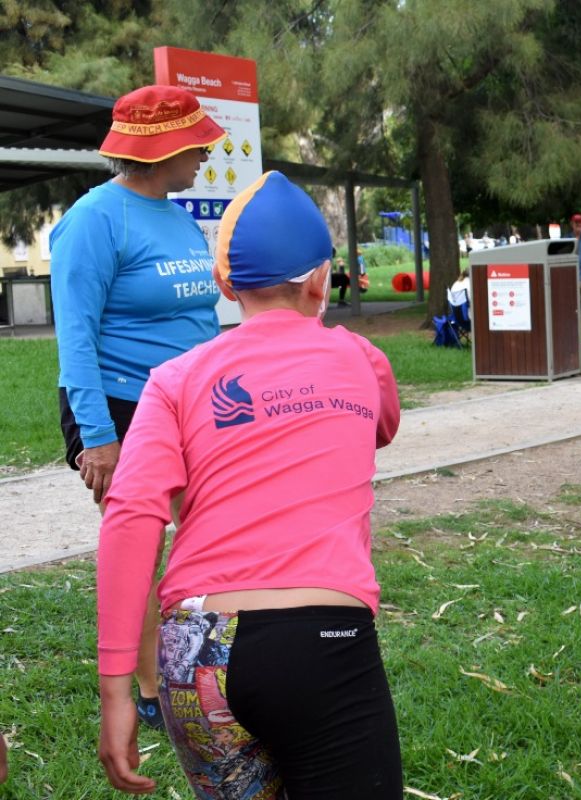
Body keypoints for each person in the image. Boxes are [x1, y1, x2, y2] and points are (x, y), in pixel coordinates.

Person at [95, 172, 404, 798]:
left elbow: (130, 516)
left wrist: (116, 689)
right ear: (323, 280)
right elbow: (382, 425)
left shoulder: (174, 379)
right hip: (321, 643)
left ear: (223, 285)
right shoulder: (363, 360)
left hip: (193, 655)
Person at [50, 84, 227, 731]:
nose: (209, 150)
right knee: (142, 544)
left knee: (207, 532)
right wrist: (97, 436)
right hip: (122, 408)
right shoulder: (95, 218)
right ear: (163, 147)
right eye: (198, 140)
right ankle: (152, 685)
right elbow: (75, 335)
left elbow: (197, 316)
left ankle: (201, 661)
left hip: (194, 404)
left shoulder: (179, 217)